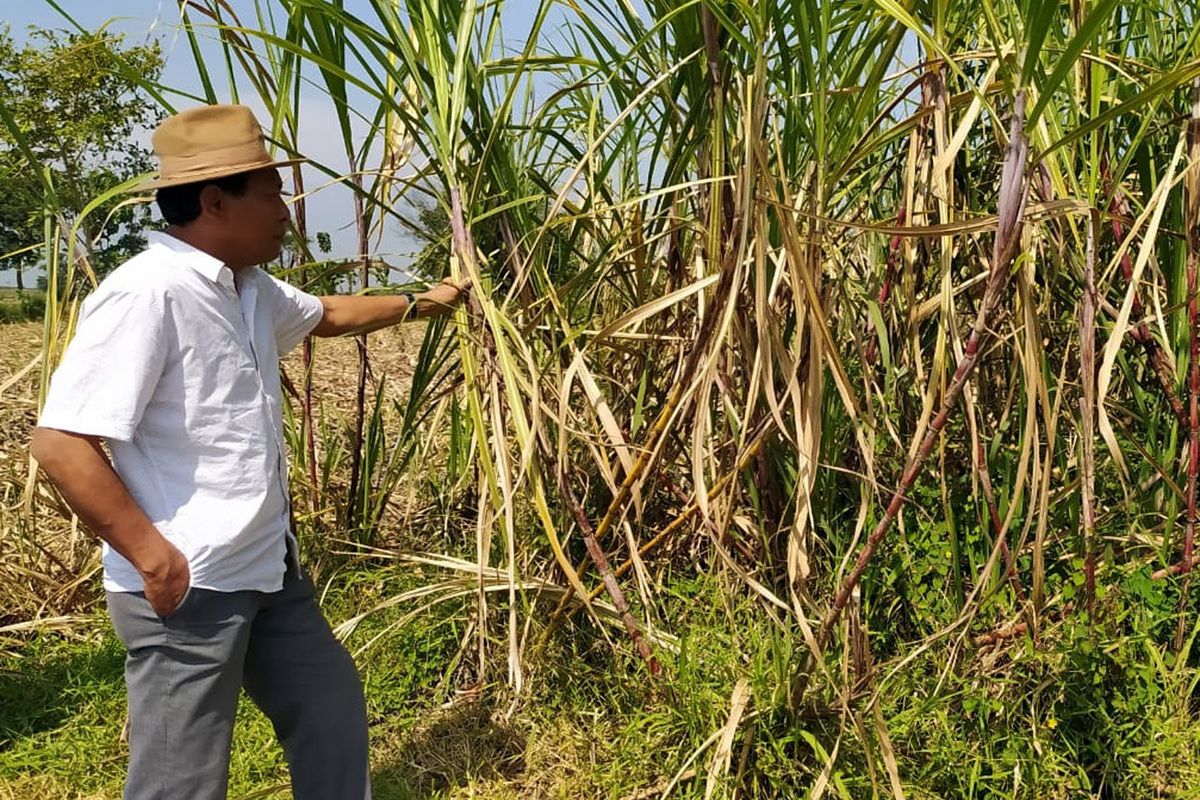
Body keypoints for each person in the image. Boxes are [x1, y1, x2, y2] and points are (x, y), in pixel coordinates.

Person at [29, 104, 467, 800]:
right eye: (271, 195)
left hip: (267, 570)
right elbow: (60, 443)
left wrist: (430, 300)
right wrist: (154, 557)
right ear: (213, 201)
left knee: (329, 713)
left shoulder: (249, 289)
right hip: (190, 583)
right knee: (182, 781)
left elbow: (330, 315)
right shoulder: (149, 294)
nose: (286, 212)